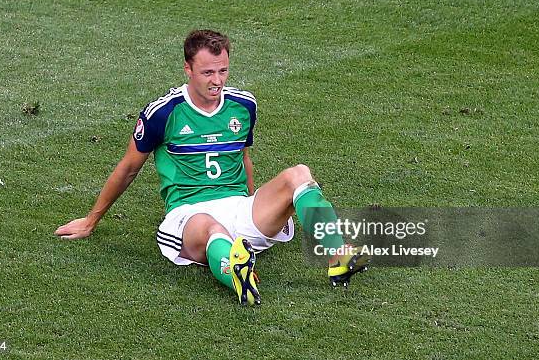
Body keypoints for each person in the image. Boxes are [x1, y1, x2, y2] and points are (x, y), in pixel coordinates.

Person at [55, 29, 369, 305]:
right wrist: (91, 220)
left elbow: (244, 158)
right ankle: (237, 275)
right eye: (207, 72)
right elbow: (128, 169)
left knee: (298, 174)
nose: (216, 81)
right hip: (188, 215)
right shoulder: (163, 113)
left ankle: (336, 253)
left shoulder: (244, 105)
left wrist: (253, 205)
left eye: (223, 71)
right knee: (210, 226)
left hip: (239, 208)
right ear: (188, 69)